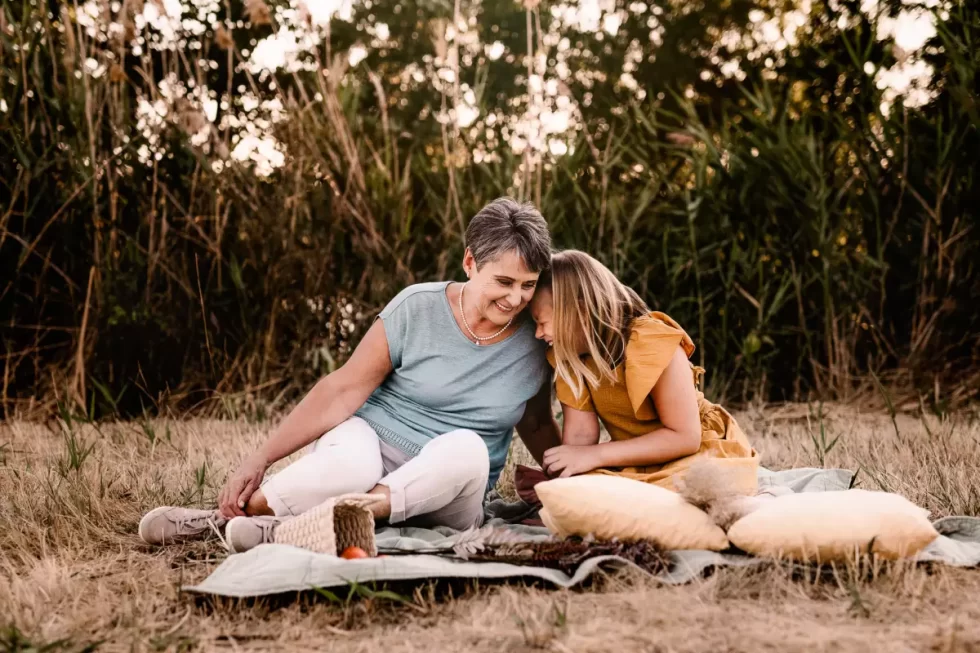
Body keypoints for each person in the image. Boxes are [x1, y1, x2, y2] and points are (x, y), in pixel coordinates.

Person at [139, 198, 561, 551]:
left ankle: (325, 518)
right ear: (470, 262)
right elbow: (343, 389)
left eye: (528, 284)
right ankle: (237, 521)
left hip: (450, 486)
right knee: (349, 464)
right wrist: (261, 457)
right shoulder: (417, 307)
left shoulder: (538, 335)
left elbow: (538, 421)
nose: (516, 298)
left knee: (467, 447)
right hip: (375, 442)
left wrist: (571, 490)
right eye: (503, 281)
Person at [529, 249, 758, 491]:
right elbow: (580, 439)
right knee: (582, 491)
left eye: (541, 322)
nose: (537, 334)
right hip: (639, 458)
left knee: (696, 486)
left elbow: (685, 437)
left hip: (699, 450)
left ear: (581, 313)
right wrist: (569, 473)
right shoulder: (572, 358)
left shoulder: (650, 342)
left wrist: (595, 455)